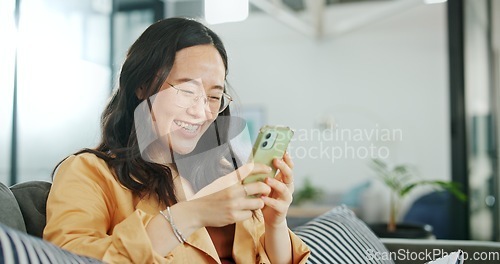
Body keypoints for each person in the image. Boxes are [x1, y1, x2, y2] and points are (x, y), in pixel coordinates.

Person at [43, 17, 310, 264]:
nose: (202, 111)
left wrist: (275, 222)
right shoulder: (90, 173)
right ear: (142, 86)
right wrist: (190, 215)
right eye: (186, 90)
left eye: (214, 97)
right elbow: (66, 258)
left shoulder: (225, 173)